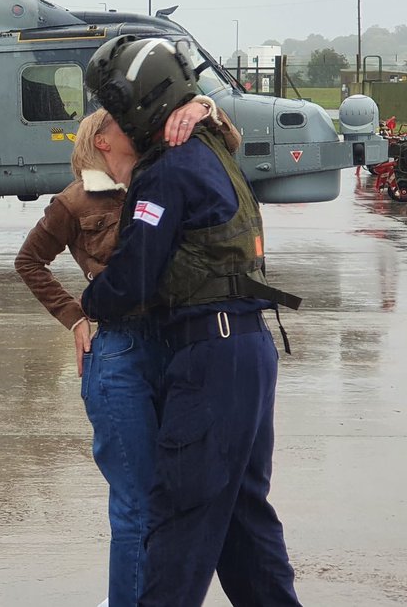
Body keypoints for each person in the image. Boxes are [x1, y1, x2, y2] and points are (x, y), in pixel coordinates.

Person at [82, 35, 302, 607]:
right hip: (248, 349)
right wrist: (202, 104)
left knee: (181, 519)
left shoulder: (167, 169)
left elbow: (132, 278)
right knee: (241, 525)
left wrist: (89, 302)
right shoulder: (211, 149)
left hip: (213, 357)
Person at [14, 100, 239, 607]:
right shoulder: (75, 202)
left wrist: (203, 106)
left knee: (178, 496)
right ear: (102, 140)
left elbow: (229, 143)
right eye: (124, 125)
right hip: (118, 352)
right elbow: (29, 261)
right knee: (137, 503)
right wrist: (73, 316)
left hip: (180, 345)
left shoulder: (167, 179)